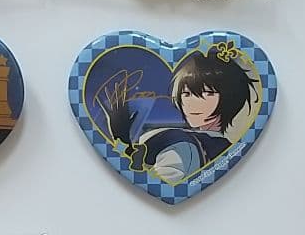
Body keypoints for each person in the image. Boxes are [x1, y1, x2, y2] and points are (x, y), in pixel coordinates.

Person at [105, 47, 259, 184]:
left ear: (230, 97)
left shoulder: (181, 145)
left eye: (208, 93)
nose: (192, 103)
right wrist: (123, 141)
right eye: (186, 94)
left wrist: (123, 142)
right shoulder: (226, 147)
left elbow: (161, 185)